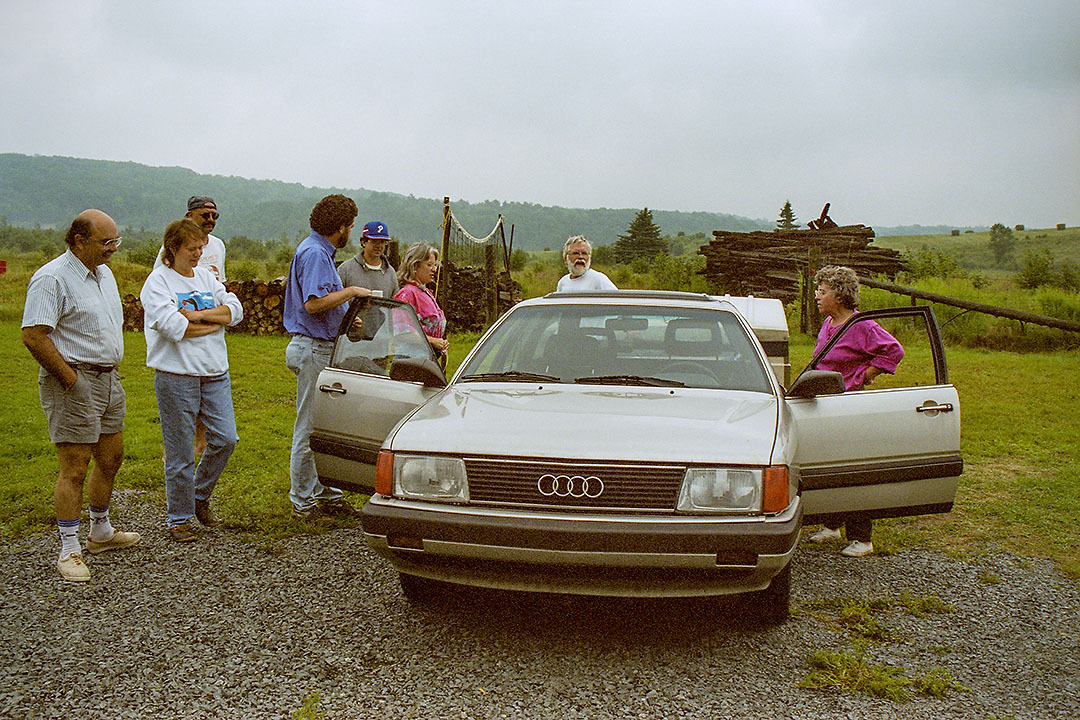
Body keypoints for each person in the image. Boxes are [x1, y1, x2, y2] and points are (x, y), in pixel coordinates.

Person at [21, 209, 141, 581]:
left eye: (116, 241)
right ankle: (69, 549)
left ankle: (100, 532)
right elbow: (33, 335)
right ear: (79, 240)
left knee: (111, 458)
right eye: (106, 242)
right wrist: (71, 380)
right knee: (74, 468)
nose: (113, 249)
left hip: (108, 379)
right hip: (73, 379)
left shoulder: (104, 274)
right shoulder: (52, 278)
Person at [141, 218, 244, 542]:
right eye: (192, 248)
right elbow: (176, 328)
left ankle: (198, 495)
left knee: (226, 438)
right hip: (177, 376)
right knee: (181, 451)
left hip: (215, 373)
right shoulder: (158, 283)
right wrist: (216, 322)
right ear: (173, 249)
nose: (199, 253)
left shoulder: (205, 277)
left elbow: (235, 311)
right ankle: (180, 518)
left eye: (201, 247)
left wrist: (199, 316)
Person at [807, 265, 905, 558]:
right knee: (830, 465)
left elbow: (894, 350)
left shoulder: (862, 325)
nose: (817, 296)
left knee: (852, 470)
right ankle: (833, 525)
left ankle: (862, 538)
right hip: (828, 403)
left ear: (839, 296)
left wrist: (865, 375)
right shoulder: (829, 323)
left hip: (849, 406)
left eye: (822, 292)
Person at [284, 194, 372, 519]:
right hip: (313, 348)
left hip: (321, 345)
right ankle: (303, 502)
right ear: (340, 227)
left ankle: (328, 494)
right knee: (309, 427)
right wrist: (351, 292)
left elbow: (324, 303)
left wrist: (346, 316)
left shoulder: (319, 252)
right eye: (350, 225)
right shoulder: (316, 254)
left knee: (324, 427)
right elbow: (312, 304)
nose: (350, 231)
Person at [154, 195, 227, 458]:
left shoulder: (218, 246)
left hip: (209, 338)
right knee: (180, 420)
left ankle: (200, 445)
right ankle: (175, 457)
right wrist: (205, 323)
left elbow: (222, 291)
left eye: (215, 215)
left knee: (211, 418)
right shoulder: (168, 254)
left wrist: (210, 316)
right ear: (189, 216)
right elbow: (165, 293)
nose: (210, 220)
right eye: (205, 215)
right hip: (182, 341)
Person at [394, 242, 449, 357]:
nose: (434, 269)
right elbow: (402, 332)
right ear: (415, 266)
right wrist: (432, 341)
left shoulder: (424, 293)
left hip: (426, 360)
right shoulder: (407, 294)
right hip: (411, 361)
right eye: (429, 265)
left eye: (435, 265)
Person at [338, 220, 399, 298]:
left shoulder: (390, 272)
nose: (378, 246)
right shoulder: (346, 269)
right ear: (363, 242)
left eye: (382, 242)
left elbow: (395, 302)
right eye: (374, 241)